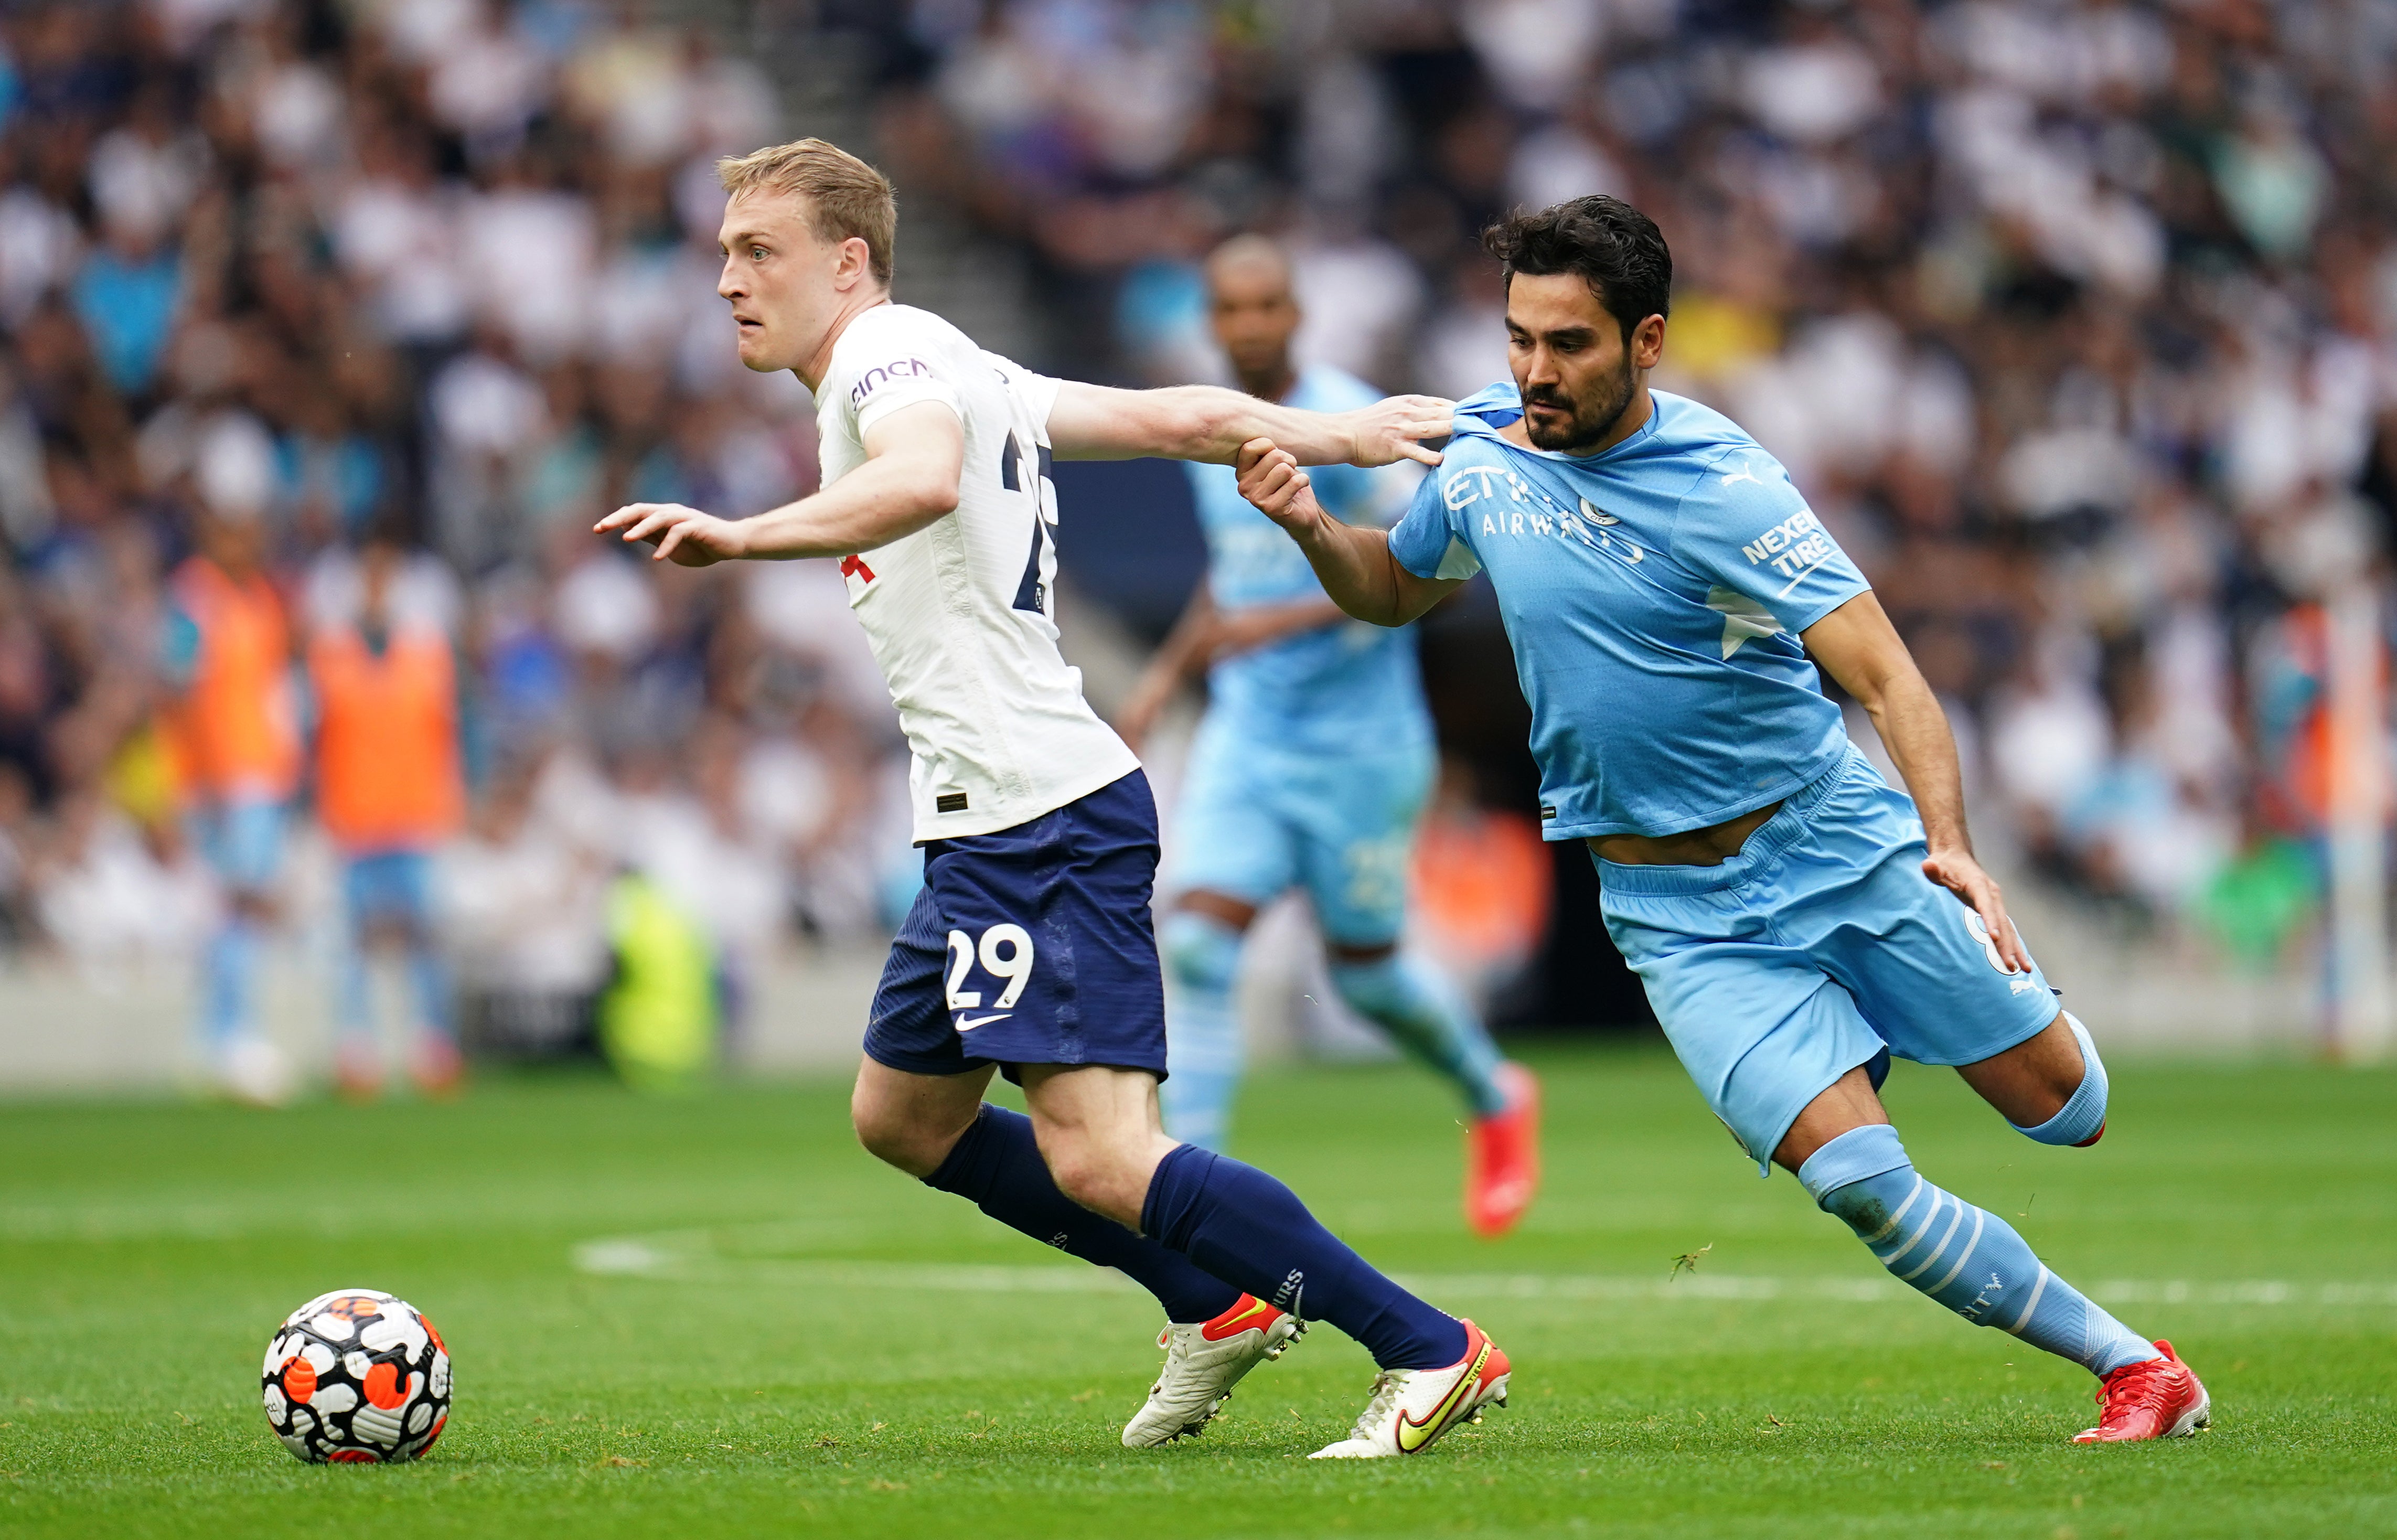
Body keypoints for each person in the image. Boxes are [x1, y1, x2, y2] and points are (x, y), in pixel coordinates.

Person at [1234, 195, 2210, 1445]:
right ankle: (2134, 1367)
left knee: (2063, 1107)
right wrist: (1313, 525)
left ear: (1645, 342)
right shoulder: (1478, 458)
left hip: (1830, 845)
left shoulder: (1728, 485)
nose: (1533, 370)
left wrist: (1949, 844)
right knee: (1858, 1184)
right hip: (1671, 912)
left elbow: (1885, 676)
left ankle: (1923, 1008)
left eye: (1568, 344)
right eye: (1518, 337)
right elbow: (1389, 590)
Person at [593, 138, 1508, 1458]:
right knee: (902, 1115)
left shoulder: (881, 359)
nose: (728, 277)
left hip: (1038, 812)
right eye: (726, 251)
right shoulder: (953, 358)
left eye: (759, 251)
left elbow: (909, 481)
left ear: (847, 262)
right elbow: (1172, 419)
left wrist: (745, 533)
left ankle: (1426, 1345)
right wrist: (1339, 430)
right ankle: (1214, 1304)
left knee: (1098, 1154)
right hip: (984, 818)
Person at [1117, 234, 1540, 1236]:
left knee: (1370, 974)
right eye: (1233, 310)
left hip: (1360, 746)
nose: (1252, 325)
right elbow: (1233, 568)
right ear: (1212, 323)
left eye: (1269, 306)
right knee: (1200, 946)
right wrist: (1167, 676)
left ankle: (1496, 1095)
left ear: (1296, 315)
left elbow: (1422, 570)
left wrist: (1273, 622)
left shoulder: (1349, 421)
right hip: (1250, 735)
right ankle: (1190, 1196)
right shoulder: (1207, 427)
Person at [305, 531, 466, 1099]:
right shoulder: (331, 654)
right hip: (353, 815)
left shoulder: (426, 654)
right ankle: (358, 1048)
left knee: (425, 939)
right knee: (352, 943)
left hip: (414, 813)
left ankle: (432, 1045)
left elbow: (446, 735)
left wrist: (452, 802)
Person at [162, 501, 301, 1105]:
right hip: (222, 779)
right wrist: (207, 778)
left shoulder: (261, 598)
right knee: (234, 907)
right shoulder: (195, 597)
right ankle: (231, 1036)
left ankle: (220, 1036)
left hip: (260, 771)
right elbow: (180, 688)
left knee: (239, 909)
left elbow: (269, 689)